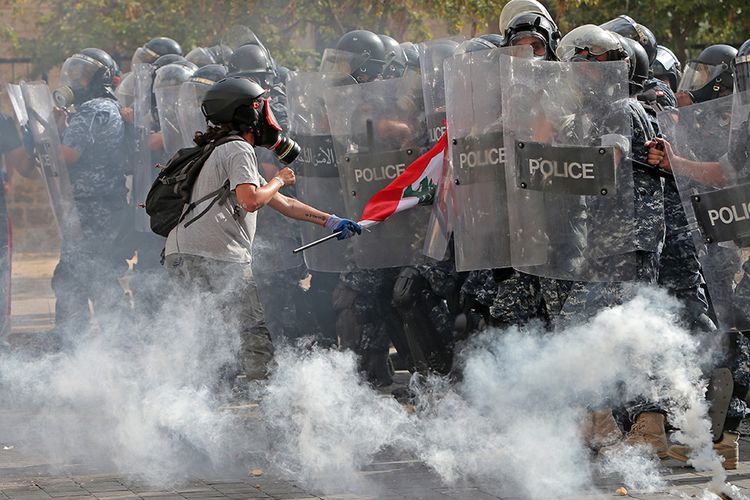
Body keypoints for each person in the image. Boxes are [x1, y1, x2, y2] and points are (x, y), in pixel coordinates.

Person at [163, 76, 360, 383]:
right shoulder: (239, 149)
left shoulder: (218, 147)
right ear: (246, 112)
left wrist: (331, 221)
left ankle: (199, 398)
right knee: (251, 330)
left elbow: (283, 204)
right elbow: (252, 200)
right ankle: (265, 399)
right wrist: (280, 178)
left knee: (204, 328)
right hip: (217, 255)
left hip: (181, 252)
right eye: (259, 106)